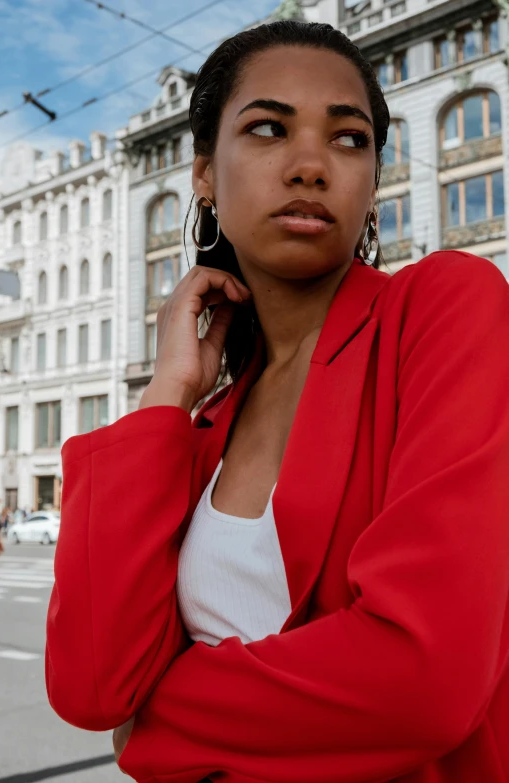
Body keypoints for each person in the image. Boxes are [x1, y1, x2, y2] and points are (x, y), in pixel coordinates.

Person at [45, 20, 509, 783]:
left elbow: (424, 679)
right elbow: (92, 687)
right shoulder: (202, 429)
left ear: (373, 177)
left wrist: (152, 728)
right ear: (203, 173)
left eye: (349, 139)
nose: (310, 165)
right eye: (267, 128)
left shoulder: (444, 309)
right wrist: (166, 394)